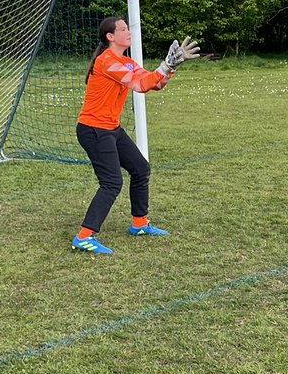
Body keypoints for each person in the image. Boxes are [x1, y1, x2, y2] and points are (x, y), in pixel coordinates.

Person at [72, 17, 200, 254]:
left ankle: (139, 224)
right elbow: (139, 85)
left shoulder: (127, 61)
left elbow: (153, 83)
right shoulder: (107, 61)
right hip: (94, 130)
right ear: (110, 36)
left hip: (111, 128)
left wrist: (171, 68)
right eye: (122, 29)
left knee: (140, 169)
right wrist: (165, 65)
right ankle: (84, 236)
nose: (128, 32)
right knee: (111, 183)